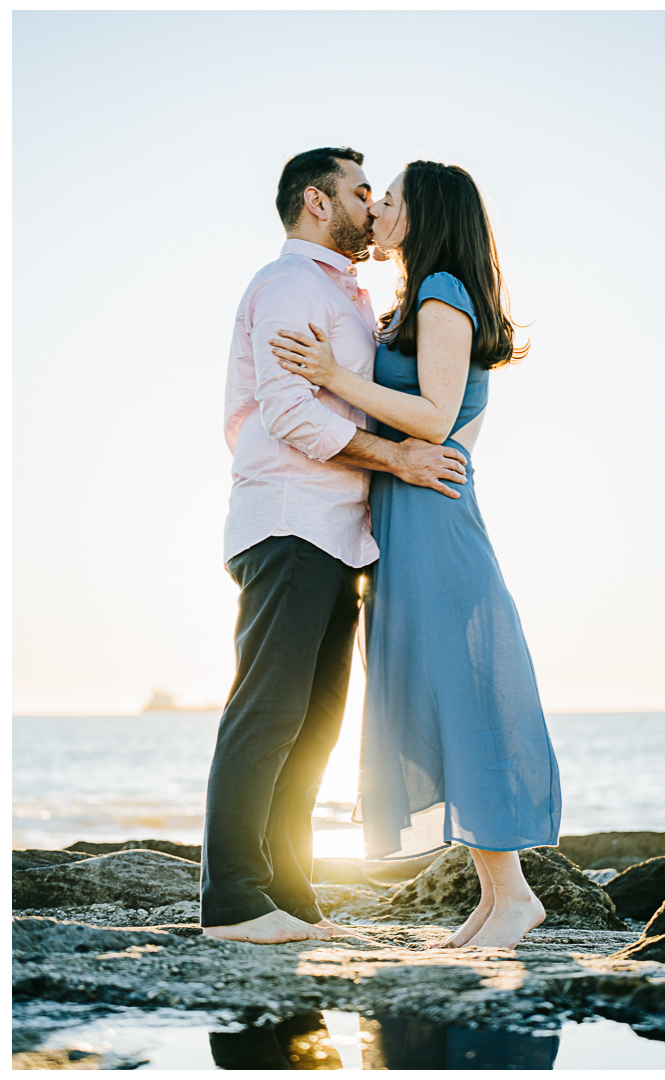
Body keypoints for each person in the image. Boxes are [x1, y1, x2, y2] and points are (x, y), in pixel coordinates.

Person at [271, 160, 562, 950]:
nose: (377, 209)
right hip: (412, 517)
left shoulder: (440, 293)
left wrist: (332, 374)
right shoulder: (423, 296)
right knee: (440, 696)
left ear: (424, 213)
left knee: (460, 697)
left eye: (390, 199)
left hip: (432, 519)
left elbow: (434, 417)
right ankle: (496, 897)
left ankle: (512, 897)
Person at [201, 148, 468, 945]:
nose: (373, 204)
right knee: (266, 711)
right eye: (362, 191)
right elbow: (290, 415)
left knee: (315, 722)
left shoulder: (347, 296)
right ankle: (234, 903)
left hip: (339, 534)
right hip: (288, 522)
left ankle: (292, 898)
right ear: (318, 202)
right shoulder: (287, 285)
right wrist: (399, 458)